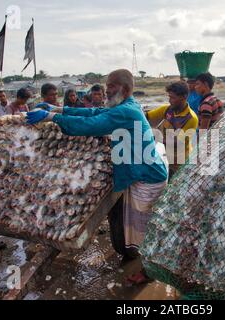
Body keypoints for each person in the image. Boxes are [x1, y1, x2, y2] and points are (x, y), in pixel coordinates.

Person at [26, 69, 168, 284]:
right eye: (107, 85)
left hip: (148, 177)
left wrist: (51, 117)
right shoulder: (124, 107)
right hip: (140, 173)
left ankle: (151, 272)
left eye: (111, 86)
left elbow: (90, 125)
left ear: (126, 89)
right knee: (137, 227)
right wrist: (59, 108)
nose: (106, 89)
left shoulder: (127, 111)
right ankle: (140, 260)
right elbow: (95, 113)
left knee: (144, 229)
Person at [146, 81, 198, 177]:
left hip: (179, 162)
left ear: (184, 97)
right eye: (169, 97)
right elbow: (147, 116)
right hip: (165, 157)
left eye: (173, 97)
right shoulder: (167, 109)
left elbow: (178, 142)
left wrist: (153, 138)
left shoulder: (191, 118)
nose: (169, 100)